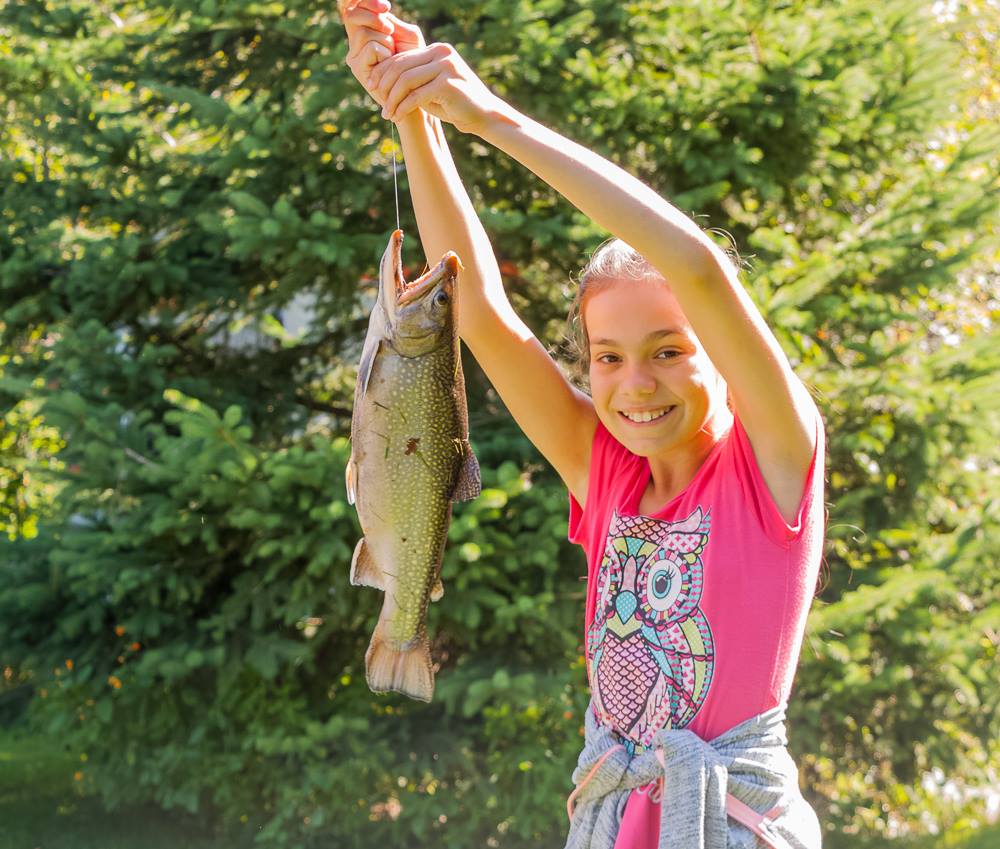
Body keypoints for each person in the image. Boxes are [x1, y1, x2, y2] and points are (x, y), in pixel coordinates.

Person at [340, 3, 826, 847]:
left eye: (669, 350)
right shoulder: (605, 475)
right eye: (607, 356)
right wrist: (414, 108)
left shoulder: (775, 462)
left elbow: (699, 268)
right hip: (609, 818)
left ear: (723, 353)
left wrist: (490, 117)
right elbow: (479, 311)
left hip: (727, 825)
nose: (635, 383)